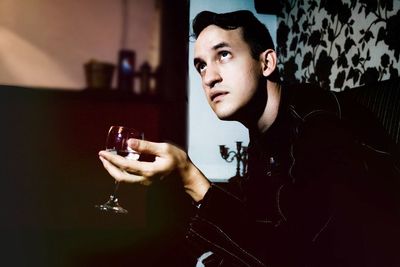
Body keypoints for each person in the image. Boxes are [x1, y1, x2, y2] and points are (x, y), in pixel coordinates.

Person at [99, 10, 400, 266]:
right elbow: (259, 224)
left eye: (224, 55)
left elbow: (306, 256)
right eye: (201, 65)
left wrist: (189, 176)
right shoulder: (263, 138)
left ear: (266, 62)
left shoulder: (318, 124)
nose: (208, 77)